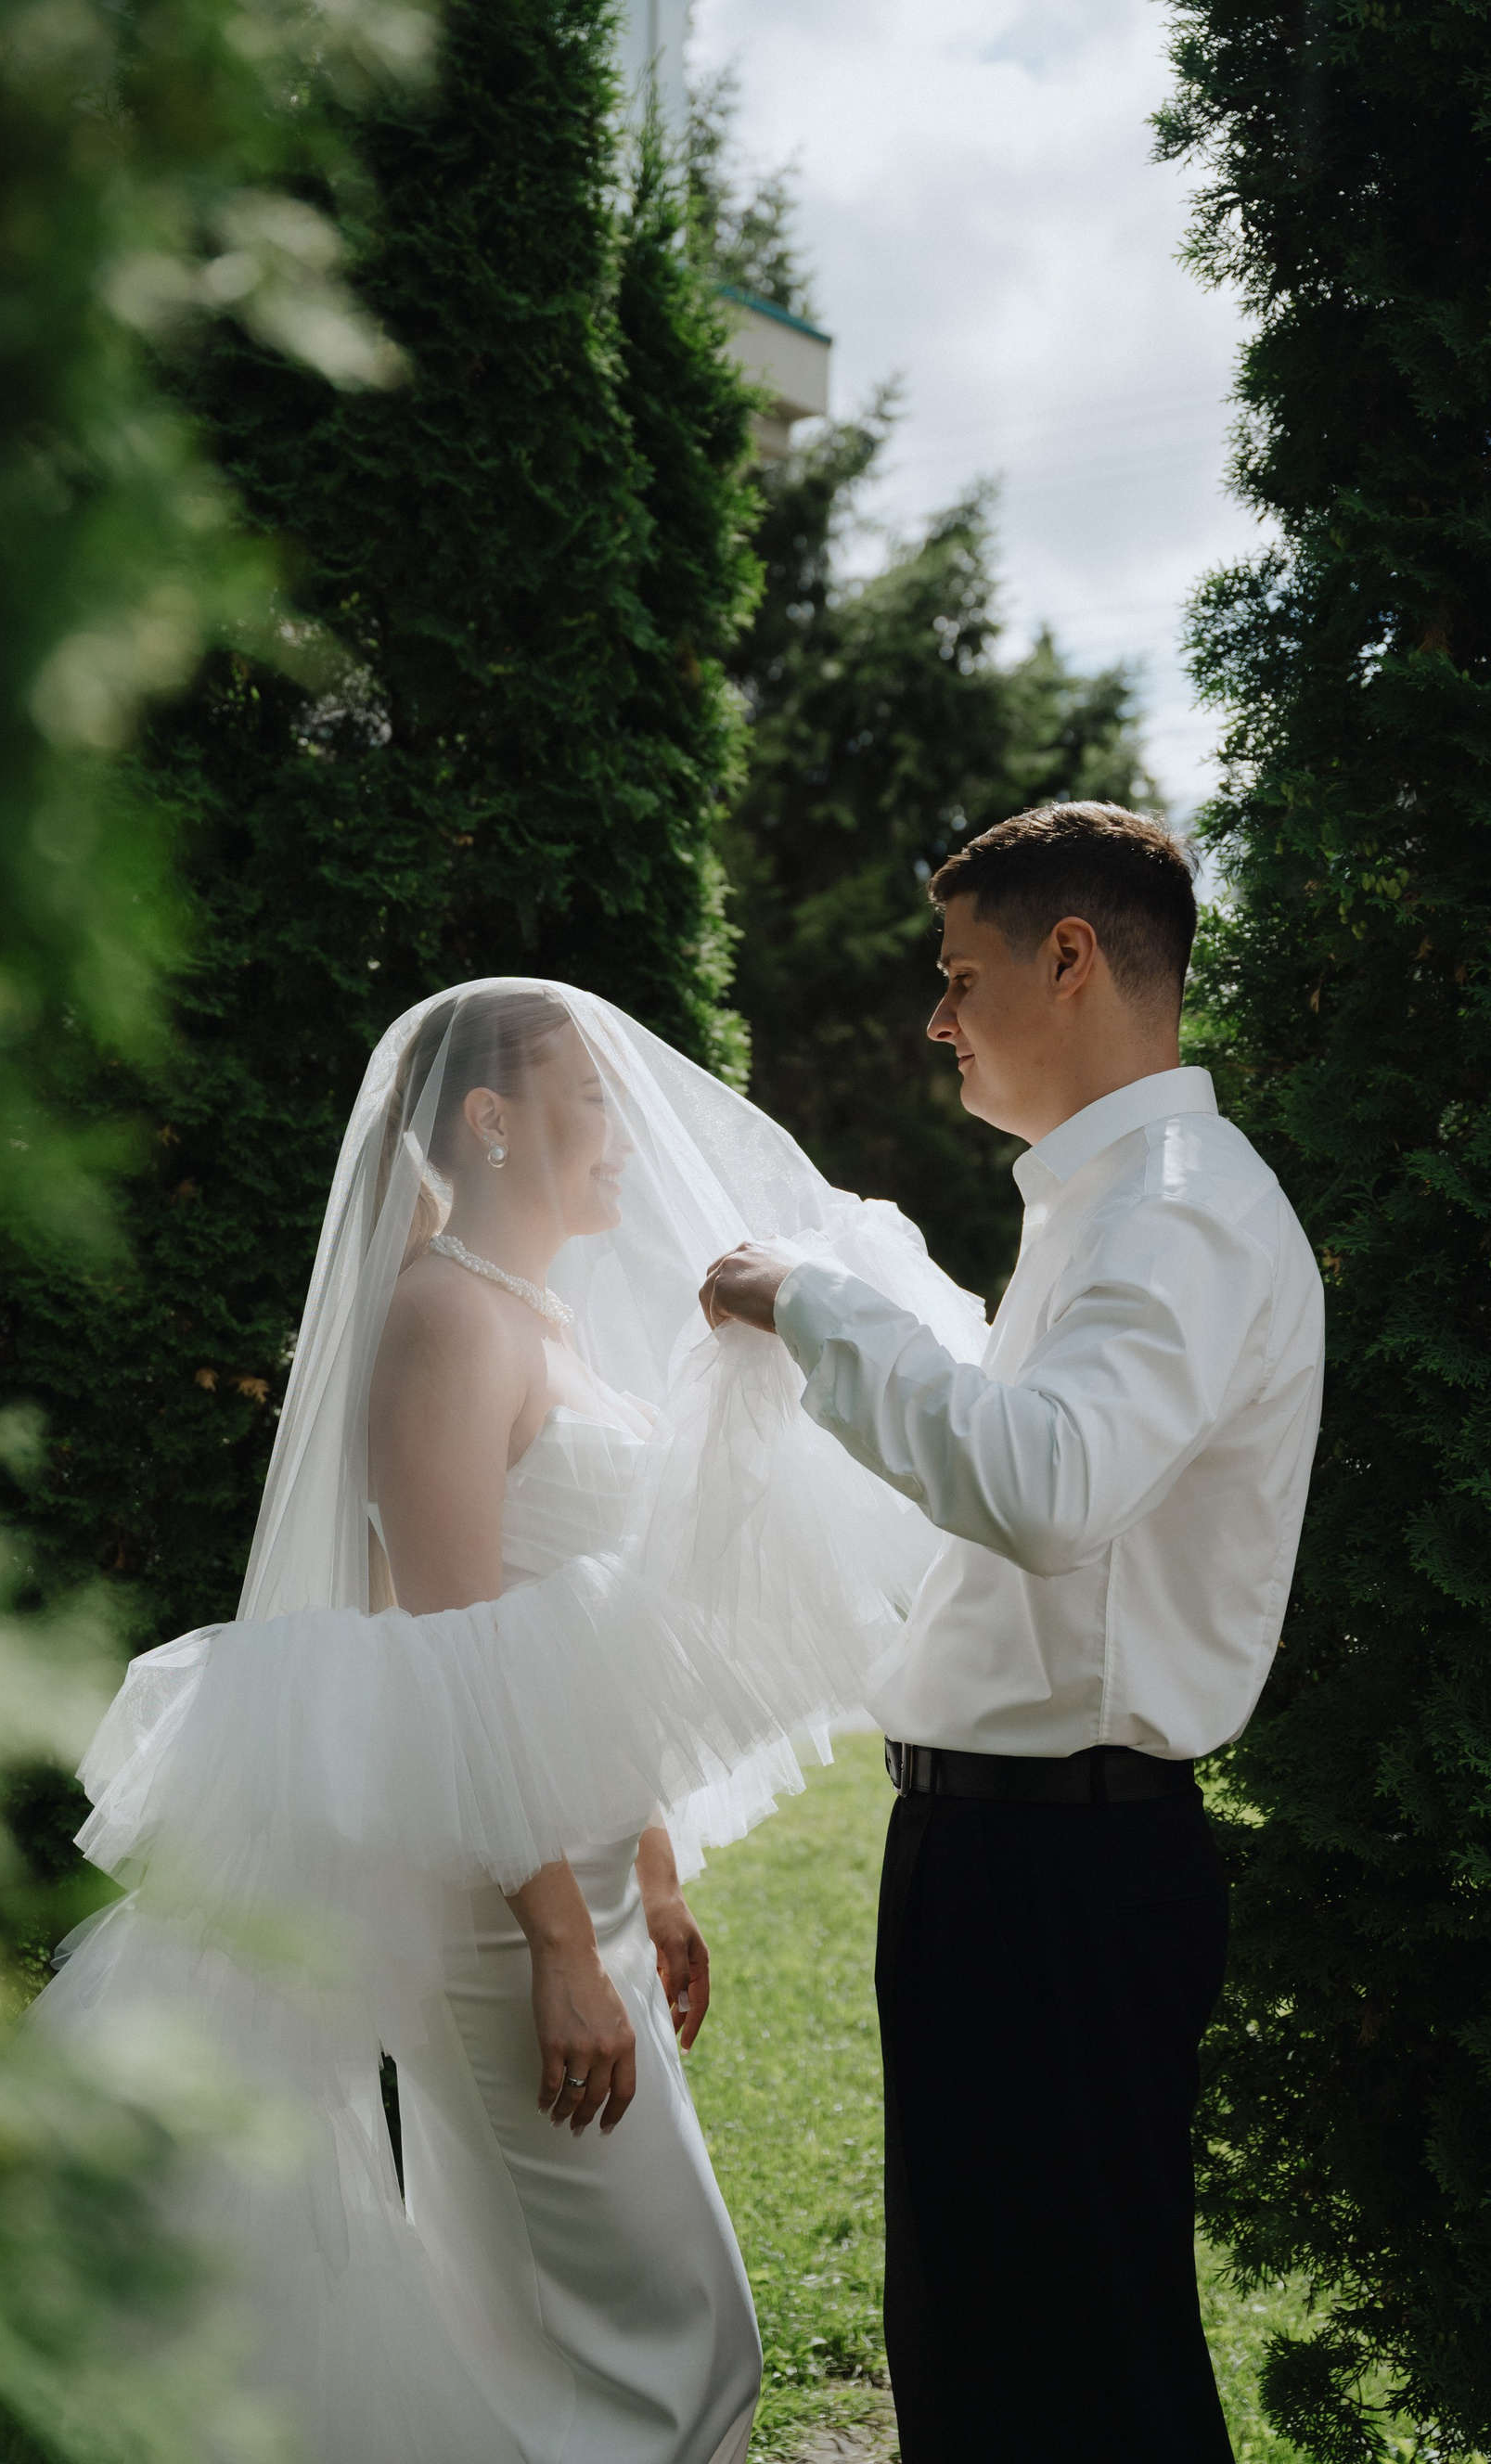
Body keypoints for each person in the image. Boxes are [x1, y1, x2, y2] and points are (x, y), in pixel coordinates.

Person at [33, 977, 987, 2464]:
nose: (623, 1133)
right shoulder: (442, 1318)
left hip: (580, 1876)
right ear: (490, 1119)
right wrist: (557, 1945)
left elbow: (580, 1645)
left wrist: (650, 1879)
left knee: (578, 2339)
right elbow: (453, 1660)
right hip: (505, 1903)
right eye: (590, 1099)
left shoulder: (539, 1315)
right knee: (678, 2343)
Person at [703, 802, 1325, 2464]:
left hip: (1065, 1867)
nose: (937, 1018)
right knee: (992, 2359)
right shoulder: (1108, 1204)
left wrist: (813, 1305)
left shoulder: (1177, 1208)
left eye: (958, 974)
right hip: (1006, 1854)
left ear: (1069, 958)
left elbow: (1048, 1487)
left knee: (1082, 2377)